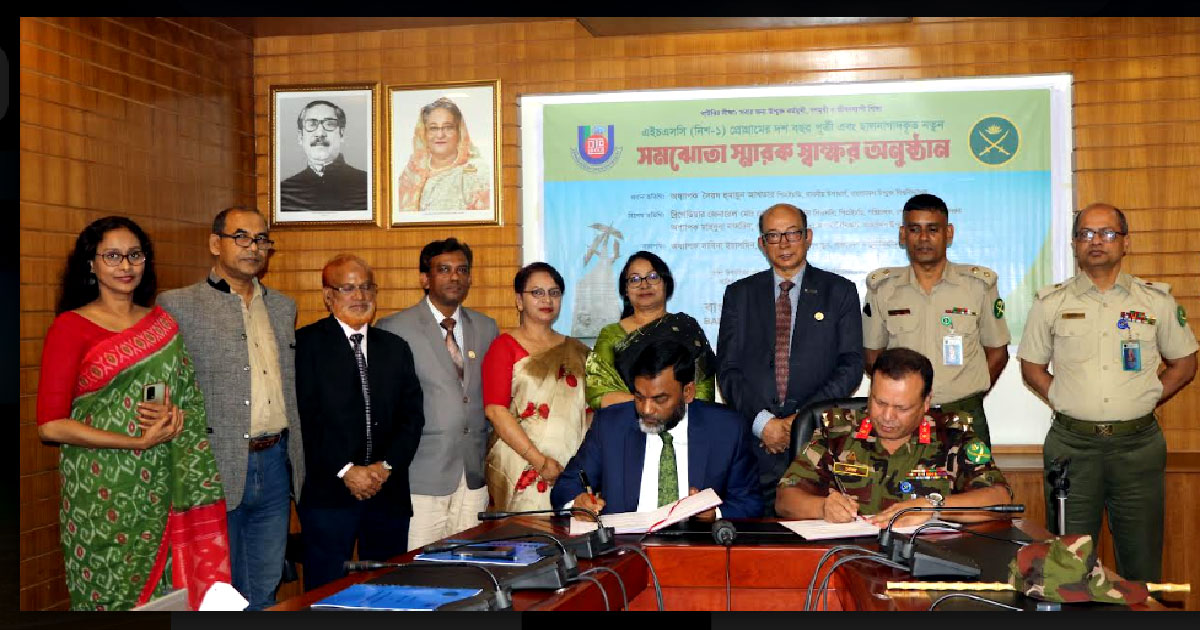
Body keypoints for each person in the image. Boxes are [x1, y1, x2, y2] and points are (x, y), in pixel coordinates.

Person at [36, 216, 230, 610]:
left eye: (134, 255)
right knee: (109, 593)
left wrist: (176, 417)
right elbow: (50, 426)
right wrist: (133, 442)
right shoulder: (70, 327)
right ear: (91, 264)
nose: (126, 266)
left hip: (165, 481)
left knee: (168, 595)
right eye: (112, 256)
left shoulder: (163, 324)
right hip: (101, 490)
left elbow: (185, 399)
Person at [1018, 202, 1197, 582]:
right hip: (1072, 448)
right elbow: (1032, 367)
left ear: (1125, 242)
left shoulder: (1155, 301)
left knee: (1141, 559)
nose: (1095, 241)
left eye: (1107, 233)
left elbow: (1184, 364)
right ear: (1074, 244)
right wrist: (1065, 399)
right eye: (1085, 233)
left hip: (1137, 448)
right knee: (1068, 564)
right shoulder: (1051, 302)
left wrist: (1146, 397)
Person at [158, 206, 305, 610]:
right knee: (220, 590)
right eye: (241, 237)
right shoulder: (178, 305)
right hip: (214, 463)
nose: (253, 247)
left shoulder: (283, 306)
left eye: (261, 239)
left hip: (275, 463)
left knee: (265, 584)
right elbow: (166, 382)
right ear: (214, 243)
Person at [717, 203, 864, 516]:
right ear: (762, 243)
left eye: (792, 233)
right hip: (755, 445)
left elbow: (851, 365)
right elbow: (728, 370)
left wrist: (800, 421)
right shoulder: (739, 294)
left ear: (808, 237)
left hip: (818, 442)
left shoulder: (839, 291)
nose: (783, 243)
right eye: (773, 235)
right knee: (756, 536)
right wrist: (764, 423)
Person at [295, 254, 425, 590]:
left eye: (367, 287)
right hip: (329, 493)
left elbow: (412, 417)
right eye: (348, 288)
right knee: (326, 592)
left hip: (387, 491)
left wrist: (385, 467)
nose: (360, 296)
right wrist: (346, 470)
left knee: (388, 589)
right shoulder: (305, 345)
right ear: (328, 296)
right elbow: (305, 419)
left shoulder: (395, 348)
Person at [776, 347, 1012, 527]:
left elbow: (1000, 498)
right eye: (879, 402)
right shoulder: (837, 432)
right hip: (848, 556)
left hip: (927, 560)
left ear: (926, 403)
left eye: (901, 408)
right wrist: (822, 507)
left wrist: (932, 507)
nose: (887, 416)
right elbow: (785, 498)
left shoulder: (953, 436)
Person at [377, 238, 499, 550]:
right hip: (421, 475)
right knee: (420, 567)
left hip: (473, 474)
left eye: (462, 270)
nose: (454, 277)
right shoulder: (394, 328)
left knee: (470, 565)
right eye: (444, 270)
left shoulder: (486, 327)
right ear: (425, 279)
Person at [862, 194, 1010, 447]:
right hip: (903, 419)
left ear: (948, 233)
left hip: (964, 415)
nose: (923, 238)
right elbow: (872, 357)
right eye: (914, 229)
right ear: (902, 235)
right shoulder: (883, 289)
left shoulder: (978, 286)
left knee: (971, 475)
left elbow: (997, 352)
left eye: (933, 229)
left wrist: (968, 394)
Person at [552, 340, 762, 519]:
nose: (646, 409)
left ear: (688, 392)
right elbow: (566, 486)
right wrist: (577, 503)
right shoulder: (611, 425)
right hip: (626, 547)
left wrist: (714, 513)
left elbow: (750, 502)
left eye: (659, 399)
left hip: (695, 547)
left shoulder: (726, 429)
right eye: (639, 397)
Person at [482, 262, 590, 511]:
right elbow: (495, 411)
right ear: (519, 301)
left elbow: (588, 412)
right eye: (537, 292)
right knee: (524, 533)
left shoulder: (579, 352)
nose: (547, 299)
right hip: (520, 464)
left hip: (569, 466)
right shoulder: (504, 347)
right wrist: (539, 461)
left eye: (554, 293)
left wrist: (581, 464)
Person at [585, 251, 716, 410]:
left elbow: (703, 387)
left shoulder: (686, 328)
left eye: (653, 277)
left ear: (666, 283)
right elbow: (598, 392)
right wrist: (651, 405)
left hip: (683, 419)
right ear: (625, 289)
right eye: (634, 279)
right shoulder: (611, 334)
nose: (644, 285)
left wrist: (670, 411)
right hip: (627, 420)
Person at [395, 96, 491, 212]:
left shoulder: (477, 174)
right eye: (433, 128)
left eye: (448, 127)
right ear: (424, 133)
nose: (440, 135)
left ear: (459, 132)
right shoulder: (410, 175)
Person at [279, 100, 370, 213]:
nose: (320, 133)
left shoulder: (368, 186)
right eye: (312, 124)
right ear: (300, 137)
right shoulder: (283, 192)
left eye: (329, 124)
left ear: (342, 134)